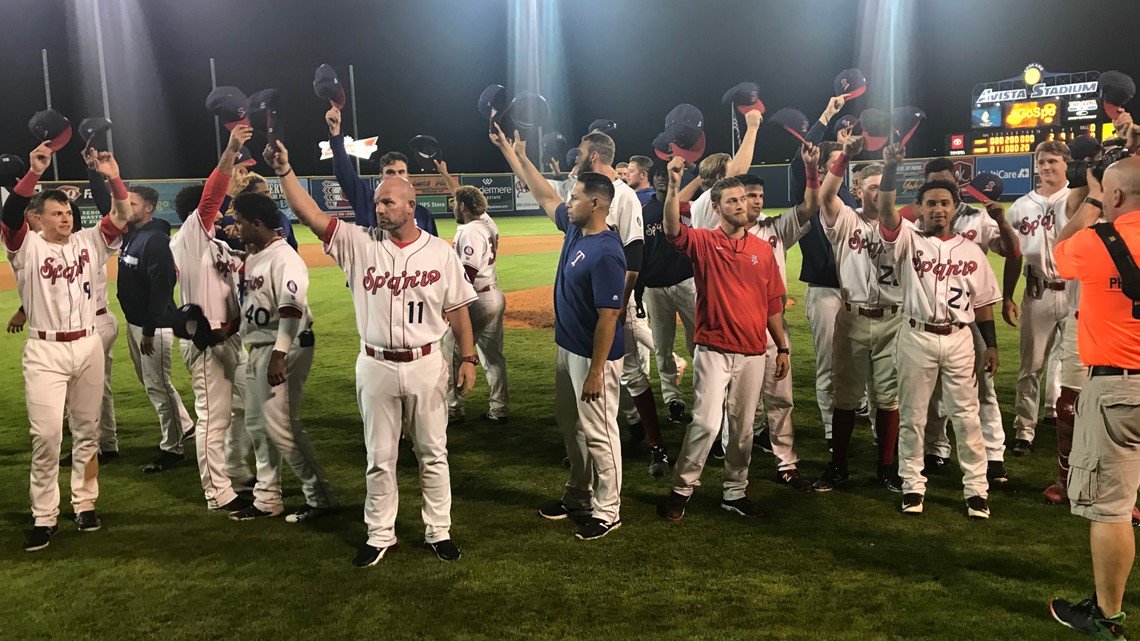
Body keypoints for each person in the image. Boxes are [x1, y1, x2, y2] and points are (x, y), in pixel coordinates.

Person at [268, 138, 477, 565]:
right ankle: (380, 534)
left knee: (433, 453)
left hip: (426, 362)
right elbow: (311, 215)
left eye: (386, 203)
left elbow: (457, 310)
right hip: (375, 364)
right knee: (379, 457)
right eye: (377, 202)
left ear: (410, 206)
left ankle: (439, 531)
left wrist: (469, 358)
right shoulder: (359, 242)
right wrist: (285, 172)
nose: (378, 208)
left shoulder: (440, 252)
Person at [490, 125, 627, 540]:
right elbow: (544, 193)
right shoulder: (574, 229)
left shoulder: (606, 253)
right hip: (568, 349)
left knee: (600, 433)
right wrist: (515, 156)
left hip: (593, 356)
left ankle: (609, 509)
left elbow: (608, 317)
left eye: (576, 197)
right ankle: (578, 495)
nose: (567, 202)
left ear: (597, 203)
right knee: (570, 426)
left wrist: (597, 371)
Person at [2, 142, 131, 551]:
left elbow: (122, 217)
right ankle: (44, 516)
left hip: (88, 345)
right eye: (57, 213)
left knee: (88, 432)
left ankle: (85, 504)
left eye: (68, 212)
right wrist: (35, 172)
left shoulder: (89, 241)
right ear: (35, 219)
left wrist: (113, 177)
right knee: (46, 437)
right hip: (45, 351)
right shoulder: (26, 248)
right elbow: (8, 218)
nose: (66, 218)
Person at [657, 157, 791, 521]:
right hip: (714, 349)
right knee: (705, 422)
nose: (741, 205)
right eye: (731, 201)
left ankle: (735, 491)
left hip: (752, 352)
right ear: (715, 207)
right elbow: (672, 230)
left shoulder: (763, 250)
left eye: (744, 199)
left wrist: (781, 346)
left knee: (743, 429)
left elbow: (771, 304)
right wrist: (673, 186)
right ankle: (682, 488)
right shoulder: (703, 242)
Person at [878, 144, 1002, 519]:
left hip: (960, 337)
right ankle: (913, 486)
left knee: (966, 416)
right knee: (914, 416)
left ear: (954, 206)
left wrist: (991, 345)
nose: (938, 208)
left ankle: (976, 489)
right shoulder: (907, 240)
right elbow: (886, 212)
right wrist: (891, 169)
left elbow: (982, 303)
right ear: (919, 208)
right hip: (916, 334)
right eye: (930, 203)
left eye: (944, 203)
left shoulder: (971, 250)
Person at [1048, 155, 1140, 639]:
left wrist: (1094, 202)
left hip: (1117, 388)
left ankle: (1107, 616)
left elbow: (1057, 254)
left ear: (1115, 196)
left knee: (1112, 509)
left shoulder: (1097, 240)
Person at [226, 181, 338, 524]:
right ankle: (267, 498)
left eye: (241, 221)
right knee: (259, 426)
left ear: (257, 224)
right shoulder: (256, 255)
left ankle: (320, 496)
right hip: (260, 347)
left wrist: (279, 354)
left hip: (283, 347)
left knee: (281, 427)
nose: (237, 226)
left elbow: (292, 308)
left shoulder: (285, 257)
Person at [913, 157, 1019, 485]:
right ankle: (937, 448)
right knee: (930, 392)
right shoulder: (916, 223)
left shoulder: (979, 218)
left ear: (957, 186)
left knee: (983, 388)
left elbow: (1012, 252)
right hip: (929, 315)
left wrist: (1002, 222)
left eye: (947, 183)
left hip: (972, 315)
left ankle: (994, 454)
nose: (941, 190)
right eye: (934, 183)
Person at [169, 124, 256, 513]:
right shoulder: (188, 238)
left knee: (243, 410)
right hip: (207, 343)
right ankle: (217, 493)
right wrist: (232, 149)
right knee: (213, 419)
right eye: (214, 208)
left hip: (232, 339)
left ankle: (237, 476)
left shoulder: (219, 244)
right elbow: (210, 198)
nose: (220, 211)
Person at [814, 135, 903, 493]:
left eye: (884, 187)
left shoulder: (900, 224)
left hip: (892, 318)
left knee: (888, 397)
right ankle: (838, 466)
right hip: (852, 316)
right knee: (846, 397)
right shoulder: (846, 220)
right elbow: (824, 196)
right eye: (871, 187)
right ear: (857, 189)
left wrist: (893, 166)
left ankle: (886, 467)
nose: (878, 193)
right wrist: (846, 156)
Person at [738, 165, 814, 490]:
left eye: (759, 196)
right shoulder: (720, 233)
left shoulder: (776, 228)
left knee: (780, 398)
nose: (756, 201)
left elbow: (810, 206)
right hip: (736, 330)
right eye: (749, 196)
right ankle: (738, 465)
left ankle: (787, 462)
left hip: (772, 328)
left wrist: (810, 171)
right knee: (739, 405)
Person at [119, 185, 195, 473]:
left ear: (149, 207)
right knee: (153, 383)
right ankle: (184, 427)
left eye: (133, 203)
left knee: (158, 386)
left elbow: (163, 287)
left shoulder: (154, 241)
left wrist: (150, 327)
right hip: (137, 322)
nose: (127, 207)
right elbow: (107, 207)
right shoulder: (133, 233)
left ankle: (172, 449)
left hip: (155, 325)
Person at [1002, 141, 1071, 457]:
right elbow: (1012, 254)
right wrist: (1006, 295)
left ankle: (1068, 423)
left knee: (1075, 365)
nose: (1046, 167)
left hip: (1075, 291)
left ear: (1066, 164)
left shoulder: (1079, 200)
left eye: (1053, 161)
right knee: (1031, 366)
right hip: (1038, 290)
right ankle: (1024, 432)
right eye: (1041, 162)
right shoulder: (1021, 206)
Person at [446, 185, 509, 424]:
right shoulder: (487, 222)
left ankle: (453, 409)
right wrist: (446, 174)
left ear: (462, 206)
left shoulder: (469, 231)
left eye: (455, 203)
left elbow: (468, 273)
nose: (453, 206)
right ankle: (499, 409)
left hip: (476, 300)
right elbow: (469, 197)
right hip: (493, 295)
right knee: (493, 357)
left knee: (452, 352)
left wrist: (453, 305)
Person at [639, 171, 698, 428]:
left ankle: (707, 397)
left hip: (687, 282)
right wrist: (638, 290)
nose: (662, 179)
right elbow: (638, 252)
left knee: (700, 344)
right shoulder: (643, 211)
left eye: (667, 175)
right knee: (662, 348)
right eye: (657, 176)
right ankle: (673, 400)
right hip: (654, 287)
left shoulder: (688, 208)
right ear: (652, 182)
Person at [325, 106, 438, 236]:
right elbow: (345, 175)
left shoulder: (422, 215)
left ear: (408, 176)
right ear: (381, 177)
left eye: (401, 172)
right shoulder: (367, 203)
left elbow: (434, 251)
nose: (396, 176)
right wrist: (335, 133)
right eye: (390, 172)